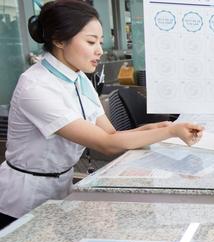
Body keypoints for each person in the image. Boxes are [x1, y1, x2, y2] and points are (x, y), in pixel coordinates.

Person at [0, 0, 203, 230]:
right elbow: (107, 144)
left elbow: (111, 133)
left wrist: (160, 128)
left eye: (100, 42)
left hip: (60, 189)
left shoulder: (78, 78)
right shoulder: (35, 87)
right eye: (90, 42)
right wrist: (170, 131)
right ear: (58, 40)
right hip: (20, 202)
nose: (99, 50)